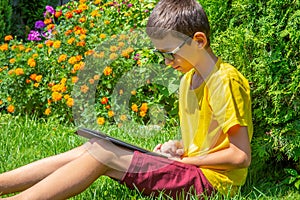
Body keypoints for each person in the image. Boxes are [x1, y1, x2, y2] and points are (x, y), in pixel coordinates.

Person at [0, 0, 252, 199]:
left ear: (199, 41)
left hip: (212, 185)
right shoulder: (189, 79)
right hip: (193, 170)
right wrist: (177, 148)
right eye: (161, 55)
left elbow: (239, 155)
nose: (166, 63)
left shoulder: (223, 80)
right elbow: (209, 144)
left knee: (103, 154)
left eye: (170, 54)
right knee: (93, 147)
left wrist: (184, 161)